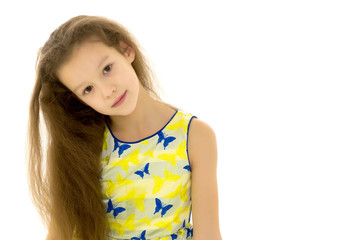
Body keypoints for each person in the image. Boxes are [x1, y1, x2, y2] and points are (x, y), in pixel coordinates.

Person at [28, 15, 221, 240]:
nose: (107, 90)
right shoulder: (77, 147)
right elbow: (59, 235)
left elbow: (208, 235)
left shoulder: (195, 136)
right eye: (88, 89)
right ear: (77, 99)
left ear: (126, 49)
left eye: (107, 68)